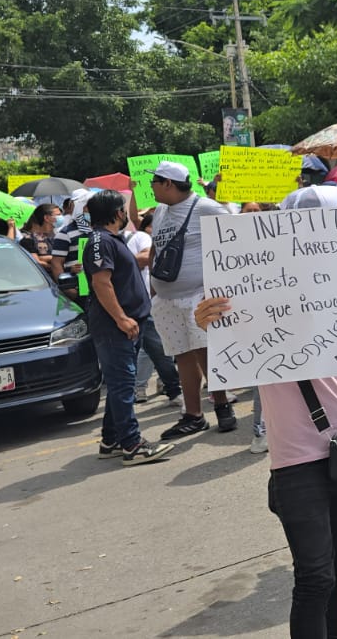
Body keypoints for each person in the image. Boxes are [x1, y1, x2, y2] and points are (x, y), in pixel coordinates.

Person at [196, 249, 337, 639]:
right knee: (315, 575)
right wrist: (207, 322)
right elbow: (227, 354)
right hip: (295, 460)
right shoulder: (254, 314)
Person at [83, 190, 176, 466]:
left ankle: (111, 440)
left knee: (119, 385)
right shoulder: (101, 240)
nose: (126, 215)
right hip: (115, 327)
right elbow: (102, 282)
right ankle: (132, 445)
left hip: (128, 324)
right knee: (123, 386)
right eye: (123, 210)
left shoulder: (111, 239)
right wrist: (121, 318)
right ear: (116, 213)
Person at [147, 162, 236, 440]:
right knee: (182, 354)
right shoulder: (160, 211)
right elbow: (156, 247)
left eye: (155, 182)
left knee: (205, 352)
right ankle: (194, 415)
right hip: (167, 298)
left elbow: (234, 237)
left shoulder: (205, 207)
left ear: (168, 184)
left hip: (198, 294)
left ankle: (222, 406)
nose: (150, 186)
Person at [128, 212, 182, 408]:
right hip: (145, 304)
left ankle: (151, 387)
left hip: (148, 302)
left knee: (152, 348)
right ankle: (172, 389)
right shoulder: (143, 237)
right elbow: (143, 258)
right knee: (157, 348)